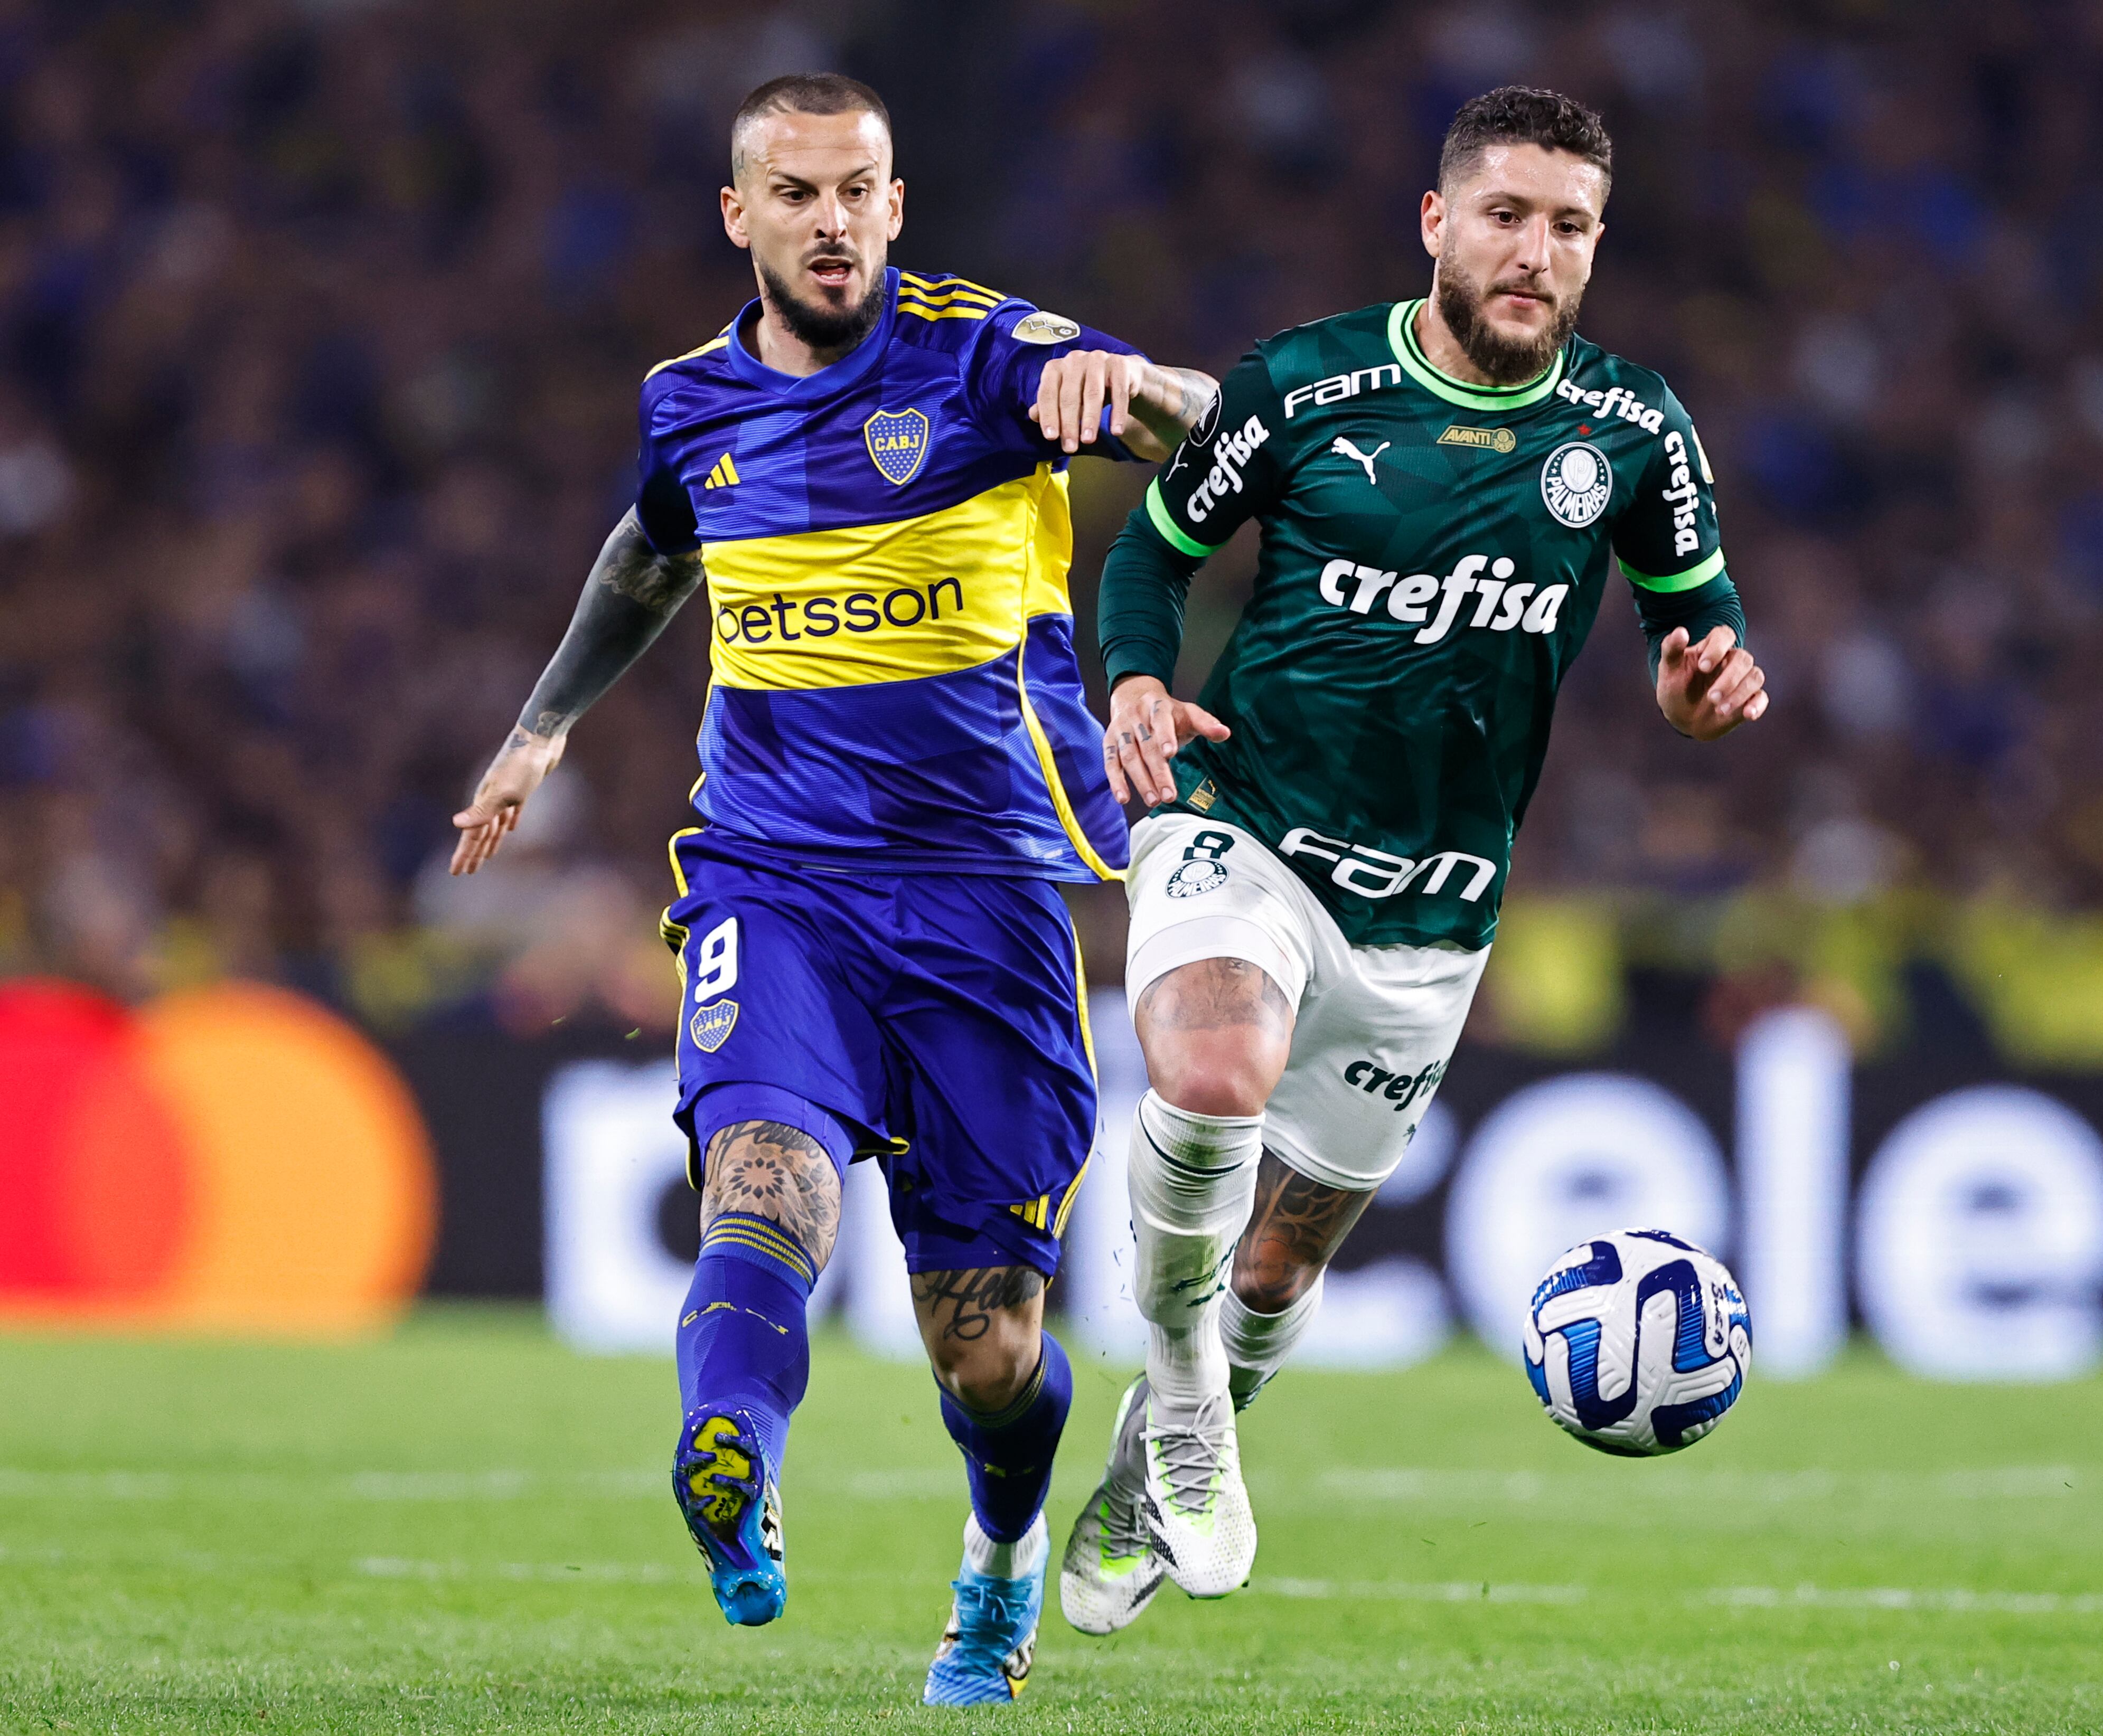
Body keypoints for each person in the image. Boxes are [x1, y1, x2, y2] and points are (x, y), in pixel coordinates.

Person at [446, 72, 1215, 1708]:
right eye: (795, 193)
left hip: (989, 898)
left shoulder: (986, 355)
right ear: (741, 214)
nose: (831, 220)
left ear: (895, 203)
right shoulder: (690, 402)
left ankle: (999, 1560)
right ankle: (731, 1458)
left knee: (984, 1346)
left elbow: (1211, 431)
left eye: (857, 189)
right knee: (761, 1181)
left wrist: (1141, 390)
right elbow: (651, 551)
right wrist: (542, 727)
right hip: (775, 875)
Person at [1065, 86, 1767, 1630]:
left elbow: (1697, 631)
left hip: (1435, 905)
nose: (1534, 252)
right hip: (1242, 818)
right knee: (1212, 1076)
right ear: (1438, 222)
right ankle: (1178, 1397)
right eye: (1505, 216)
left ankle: (1145, 1465)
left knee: (1278, 1267)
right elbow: (1152, 553)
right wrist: (1136, 680)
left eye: (1569, 227)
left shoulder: (1634, 428)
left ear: (1596, 247)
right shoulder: (1303, 386)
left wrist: (1701, 690)